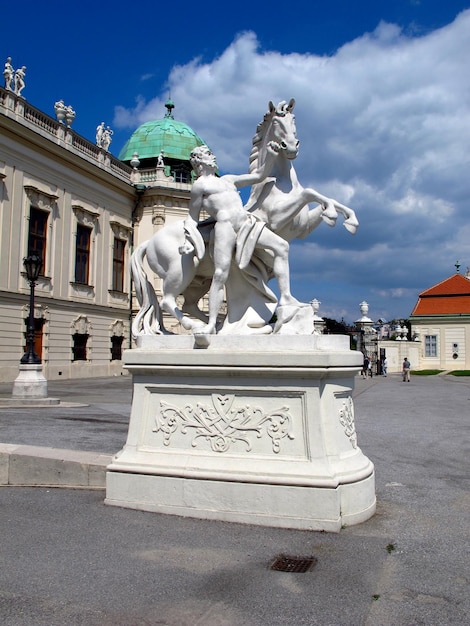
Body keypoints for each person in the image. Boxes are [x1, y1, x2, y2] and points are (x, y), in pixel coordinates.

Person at [179, 144, 303, 335]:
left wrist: (269, 154)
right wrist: (189, 240)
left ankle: (286, 298)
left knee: (282, 247)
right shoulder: (200, 186)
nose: (213, 157)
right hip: (225, 227)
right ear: (198, 162)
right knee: (220, 274)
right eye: (208, 154)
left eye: (211, 153)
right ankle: (212, 324)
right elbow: (193, 217)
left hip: (246, 223)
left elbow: (259, 176)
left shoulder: (228, 179)